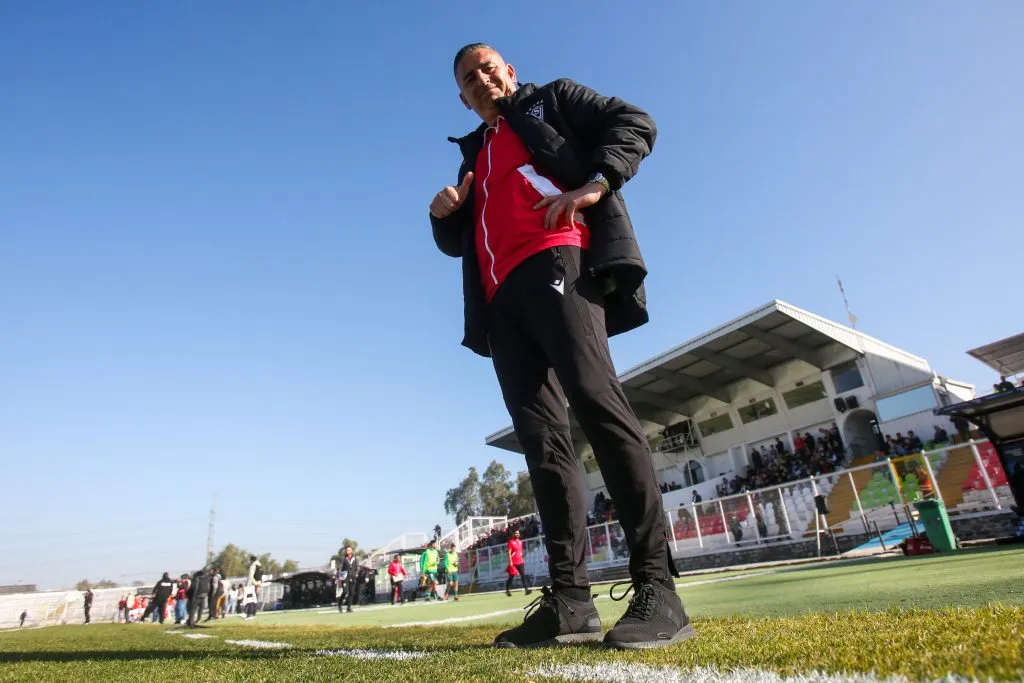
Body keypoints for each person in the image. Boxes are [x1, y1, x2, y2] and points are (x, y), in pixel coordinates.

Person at [429, 43, 691, 649]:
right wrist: (446, 214)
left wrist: (596, 184)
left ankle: (658, 586)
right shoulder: (475, 152)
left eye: (489, 68)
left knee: (598, 403)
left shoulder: (553, 99)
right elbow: (458, 242)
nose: (482, 79)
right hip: (500, 302)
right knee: (543, 446)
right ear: (463, 97)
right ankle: (571, 602)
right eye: (470, 79)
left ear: (510, 73)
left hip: (560, 260)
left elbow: (637, 123)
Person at [505, 530, 531, 596]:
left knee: (523, 575)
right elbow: (509, 552)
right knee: (511, 577)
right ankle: (507, 590)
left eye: (518, 533)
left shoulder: (520, 542)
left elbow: (520, 551)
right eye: (516, 533)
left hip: (520, 562)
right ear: (513, 534)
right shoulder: (511, 542)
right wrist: (510, 561)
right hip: (513, 562)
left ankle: (526, 590)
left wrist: (522, 556)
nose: (517, 534)